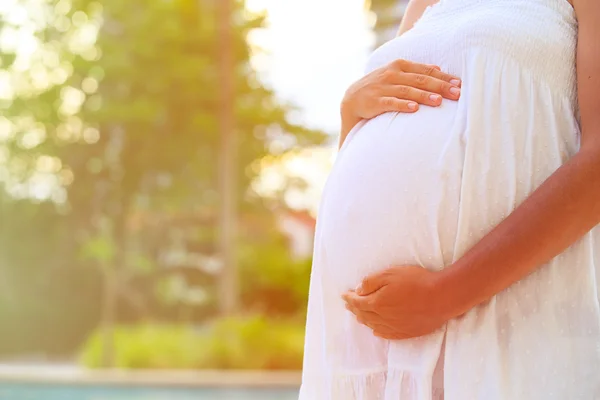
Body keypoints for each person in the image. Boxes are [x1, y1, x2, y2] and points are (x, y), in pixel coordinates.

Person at [299, 0, 600, 399]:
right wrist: (351, 113)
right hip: (373, 348)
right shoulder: (424, 3)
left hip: (496, 327)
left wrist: (446, 295)